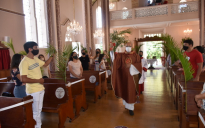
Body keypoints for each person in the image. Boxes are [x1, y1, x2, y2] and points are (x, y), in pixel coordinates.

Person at [19, 41, 54, 128]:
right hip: (33, 90)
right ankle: (36, 126)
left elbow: (45, 64)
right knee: (35, 111)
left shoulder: (35, 59)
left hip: (40, 89)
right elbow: (23, 79)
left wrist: (52, 56)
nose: (37, 49)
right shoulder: (24, 62)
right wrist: (38, 80)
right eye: (35, 48)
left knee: (39, 110)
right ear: (29, 49)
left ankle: (38, 125)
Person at [111, 42, 142, 116]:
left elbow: (139, 65)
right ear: (125, 46)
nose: (128, 47)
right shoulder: (121, 55)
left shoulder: (136, 55)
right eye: (127, 46)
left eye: (129, 46)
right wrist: (111, 50)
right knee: (125, 91)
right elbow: (115, 60)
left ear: (132, 46)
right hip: (123, 77)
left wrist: (131, 65)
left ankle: (131, 109)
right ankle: (126, 106)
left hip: (132, 78)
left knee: (130, 92)